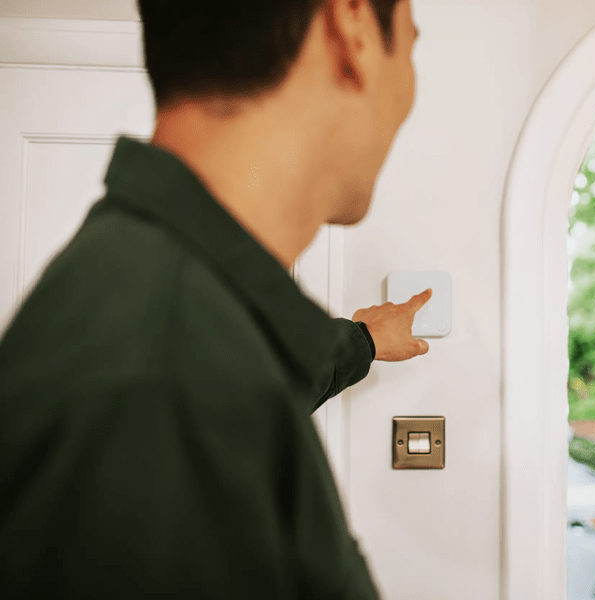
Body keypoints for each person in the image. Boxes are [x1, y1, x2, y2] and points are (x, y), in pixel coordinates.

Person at [0, 0, 425, 597]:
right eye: (411, 43)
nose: (410, 92)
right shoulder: (156, 377)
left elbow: (248, 387)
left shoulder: (177, 317)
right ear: (351, 29)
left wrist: (361, 343)